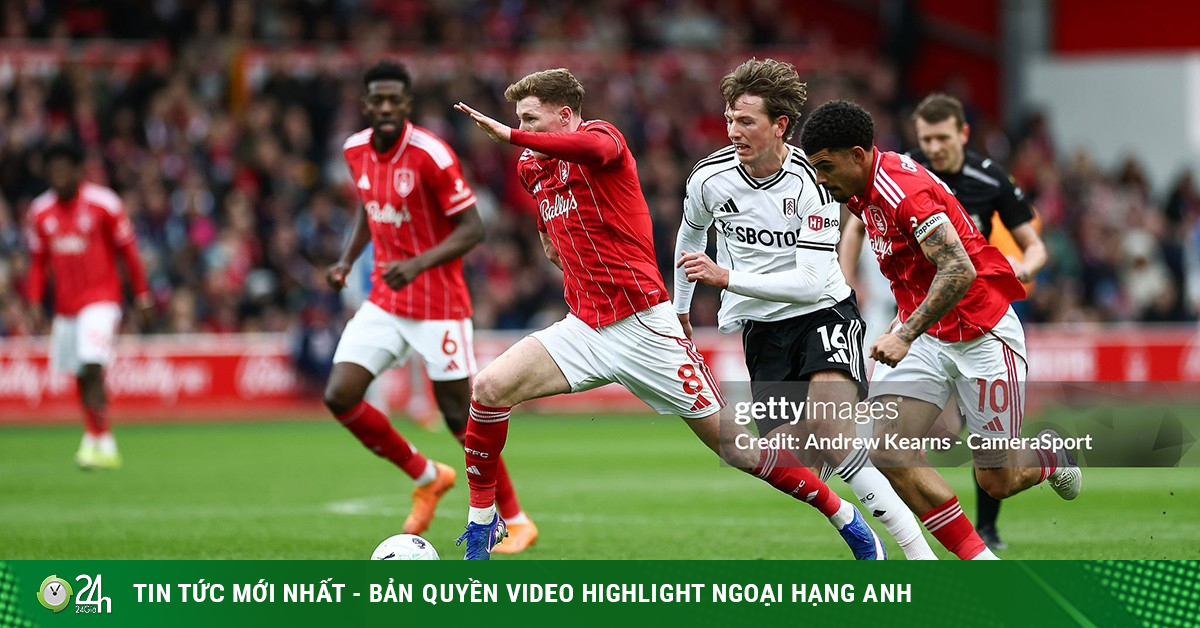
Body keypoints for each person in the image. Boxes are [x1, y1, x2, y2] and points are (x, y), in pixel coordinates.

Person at [453, 68, 885, 560]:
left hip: (644, 327)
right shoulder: (533, 167)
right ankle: (482, 529)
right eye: (518, 122)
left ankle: (844, 516)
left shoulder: (603, 138)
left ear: (566, 115)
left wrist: (507, 135)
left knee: (737, 449)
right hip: (584, 326)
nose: (523, 131)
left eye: (531, 119)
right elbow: (549, 224)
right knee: (488, 389)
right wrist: (552, 242)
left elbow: (591, 153)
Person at [673, 59, 935, 560]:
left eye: (746, 121)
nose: (734, 132)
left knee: (833, 435)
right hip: (762, 332)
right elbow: (691, 234)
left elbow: (811, 281)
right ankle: (860, 488)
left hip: (822, 314)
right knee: (794, 458)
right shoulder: (709, 178)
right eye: (729, 119)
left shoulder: (813, 181)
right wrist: (682, 311)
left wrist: (725, 277)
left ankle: (912, 557)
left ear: (780, 126)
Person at [799, 100, 1081, 560]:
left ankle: (1050, 456)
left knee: (998, 480)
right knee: (889, 450)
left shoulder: (903, 191)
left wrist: (904, 333)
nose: (821, 179)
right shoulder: (859, 189)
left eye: (826, 167)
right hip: (928, 333)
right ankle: (979, 564)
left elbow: (959, 267)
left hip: (981, 331)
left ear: (857, 153)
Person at [324, 60, 536, 552]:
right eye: (376, 99)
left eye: (393, 100)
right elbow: (366, 205)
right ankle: (427, 475)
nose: (384, 107)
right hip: (384, 298)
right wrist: (345, 260)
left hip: (438, 303)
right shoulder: (354, 150)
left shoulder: (431, 155)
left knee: (459, 416)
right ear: (365, 104)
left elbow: (473, 228)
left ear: (407, 104)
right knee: (340, 394)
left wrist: (416, 264)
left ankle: (518, 519)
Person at [26, 142, 153, 469]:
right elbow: (38, 262)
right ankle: (97, 438)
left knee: (92, 363)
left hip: (101, 299)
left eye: (63, 170)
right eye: (52, 171)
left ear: (77, 171)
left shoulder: (104, 204)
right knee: (80, 372)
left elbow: (129, 252)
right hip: (65, 305)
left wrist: (141, 295)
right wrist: (34, 301)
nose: (58, 177)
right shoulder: (40, 212)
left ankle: (99, 441)